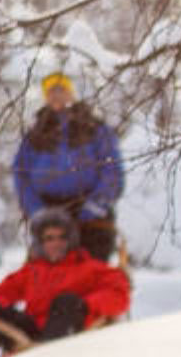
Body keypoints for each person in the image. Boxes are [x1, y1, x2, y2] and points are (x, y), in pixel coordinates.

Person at [0, 208, 130, 357]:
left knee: (66, 301)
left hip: (68, 330)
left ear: (70, 240)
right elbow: (0, 293)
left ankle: (50, 351)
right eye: (49, 238)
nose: (55, 243)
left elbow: (118, 294)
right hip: (30, 330)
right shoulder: (32, 270)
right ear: (41, 243)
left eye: (61, 238)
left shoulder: (89, 267)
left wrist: (86, 305)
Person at [13, 72, 124, 263]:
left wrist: (97, 203)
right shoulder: (35, 134)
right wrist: (36, 210)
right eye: (51, 91)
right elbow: (20, 174)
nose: (56, 95)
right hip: (48, 211)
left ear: (71, 93)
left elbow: (112, 170)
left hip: (90, 213)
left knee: (91, 271)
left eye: (61, 89)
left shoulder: (94, 129)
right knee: (45, 273)